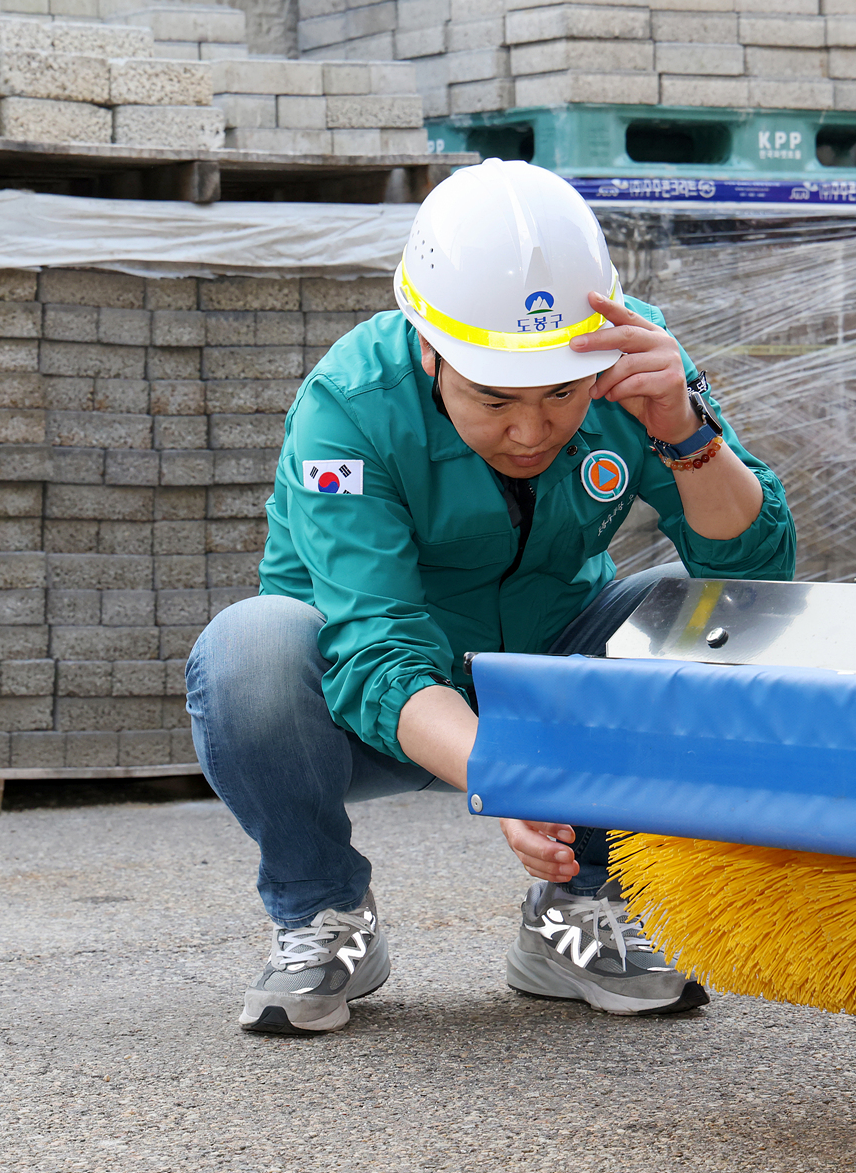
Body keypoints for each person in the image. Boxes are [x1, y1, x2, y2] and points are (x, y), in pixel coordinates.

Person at [186, 159, 797, 1035]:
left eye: (562, 393)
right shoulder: (350, 407)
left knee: (704, 619)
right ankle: (323, 913)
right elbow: (377, 648)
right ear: (428, 345)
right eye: (493, 398)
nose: (531, 430)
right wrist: (506, 777)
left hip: (544, 676)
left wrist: (685, 432)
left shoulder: (635, 361)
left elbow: (756, 579)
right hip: (364, 708)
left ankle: (577, 908)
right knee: (249, 646)